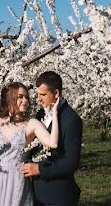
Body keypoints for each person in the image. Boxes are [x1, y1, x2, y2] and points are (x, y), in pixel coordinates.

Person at [0, 81, 60, 206]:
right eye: (20, 97)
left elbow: (53, 143)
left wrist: (55, 113)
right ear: (10, 99)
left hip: (17, 181)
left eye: (26, 97)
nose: (25, 100)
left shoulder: (31, 124)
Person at [19, 71, 82, 206]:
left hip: (58, 193)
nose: (39, 99)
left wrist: (40, 169)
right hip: (36, 190)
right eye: (37, 95)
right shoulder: (41, 113)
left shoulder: (71, 119)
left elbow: (71, 162)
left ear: (56, 94)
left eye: (43, 95)